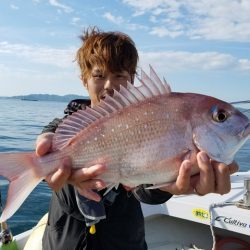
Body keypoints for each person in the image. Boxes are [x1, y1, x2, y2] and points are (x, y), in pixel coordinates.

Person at [36, 27, 238, 250]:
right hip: (64, 243)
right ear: (85, 80)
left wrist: (166, 185)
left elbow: (145, 190)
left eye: (119, 75)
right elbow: (51, 144)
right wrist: (46, 160)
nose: (109, 85)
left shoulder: (147, 120)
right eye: (99, 75)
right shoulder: (64, 126)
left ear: (131, 80)